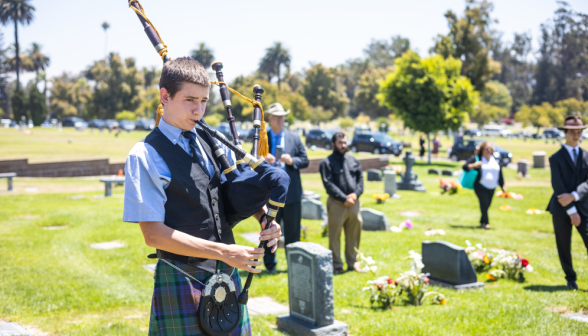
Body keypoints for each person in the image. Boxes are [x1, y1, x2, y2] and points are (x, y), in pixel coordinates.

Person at [123, 57, 281, 335]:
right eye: (190, 100)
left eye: (205, 101)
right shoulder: (145, 154)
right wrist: (224, 251)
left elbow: (233, 189)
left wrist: (263, 217)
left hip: (226, 274)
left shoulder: (211, 141)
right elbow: (154, 235)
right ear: (165, 96)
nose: (199, 110)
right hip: (182, 275)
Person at [263, 102, 309, 273]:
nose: (281, 119)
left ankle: (294, 265)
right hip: (269, 193)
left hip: (292, 194)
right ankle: (269, 265)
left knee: (293, 233)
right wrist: (262, 160)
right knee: (269, 230)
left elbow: (305, 160)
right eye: (278, 116)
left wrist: (292, 161)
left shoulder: (294, 138)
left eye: (283, 116)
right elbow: (251, 163)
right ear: (270, 119)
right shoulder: (262, 138)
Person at [547, 115, 588, 290]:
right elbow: (557, 185)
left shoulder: (587, 155)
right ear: (565, 132)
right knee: (564, 245)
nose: (576, 135)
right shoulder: (555, 158)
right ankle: (570, 278)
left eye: (579, 132)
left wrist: (574, 195)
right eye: (573, 132)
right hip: (561, 208)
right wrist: (571, 210)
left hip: (583, 206)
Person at [319, 132, 364, 274]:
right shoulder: (326, 163)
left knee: (354, 235)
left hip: (354, 203)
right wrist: (344, 198)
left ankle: (353, 263)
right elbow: (328, 184)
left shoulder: (354, 160)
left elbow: (360, 181)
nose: (343, 145)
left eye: (345, 142)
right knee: (335, 236)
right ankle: (336, 265)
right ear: (333, 144)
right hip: (337, 204)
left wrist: (355, 196)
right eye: (340, 143)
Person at [463, 141, 505, 230]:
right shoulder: (477, 158)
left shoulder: (495, 159)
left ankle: (482, 220)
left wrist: (502, 185)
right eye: (486, 148)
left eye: (490, 148)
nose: (488, 150)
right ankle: (486, 223)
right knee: (484, 203)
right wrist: (474, 165)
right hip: (480, 186)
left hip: (492, 186)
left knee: (487, 205)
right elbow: (465, 167)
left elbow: (499, 173)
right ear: (482, 149)